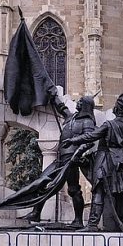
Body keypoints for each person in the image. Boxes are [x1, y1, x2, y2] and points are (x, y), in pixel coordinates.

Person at [66, 93, 123, 232]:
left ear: (117, 109)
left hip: (104, 160)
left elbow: (91, 135)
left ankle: (92, 225)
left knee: (98, 191)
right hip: (120, 162)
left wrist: (73, 140)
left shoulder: (109, 124)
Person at [23, 96, 96, 227]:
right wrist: (52, 94)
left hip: (72, 159)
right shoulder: (71, 117)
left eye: (80, 101)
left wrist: (77, 150)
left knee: (73, 189)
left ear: (85, 105)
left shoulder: (87, 122)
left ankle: (78, 221)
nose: (77, 102)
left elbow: (89, 139)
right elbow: (61, 107)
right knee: (42, 181)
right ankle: (36, 213)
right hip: (61, 159)